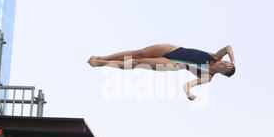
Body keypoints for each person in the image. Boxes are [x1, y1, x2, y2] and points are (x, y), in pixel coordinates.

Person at [88, 44, 236, 101]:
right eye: (227, 62)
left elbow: (187, 85)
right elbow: (228, 47)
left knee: (139, 62)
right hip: (173, 49)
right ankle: (104, 57)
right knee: (139, 53)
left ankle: (104, 64)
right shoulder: (217, 56)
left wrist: (188, 93)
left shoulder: (207, 76)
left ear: (223, 73)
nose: (224, 63)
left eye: (226, 67)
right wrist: (233, 60)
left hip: (172, 63)